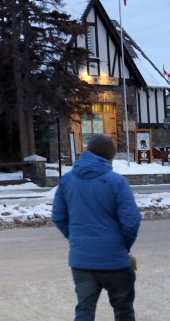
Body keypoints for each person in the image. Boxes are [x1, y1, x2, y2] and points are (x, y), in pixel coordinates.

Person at [52, 134, 141, 321]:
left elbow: (58, 216)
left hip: (81, 259)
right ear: (111, 157)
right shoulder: (116, 181)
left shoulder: (67, 180)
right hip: (114, 259)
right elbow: (131, 221)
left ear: (88, 151)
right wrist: (123, 245)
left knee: (84, 310)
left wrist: (75, 238)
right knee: (123, 310)